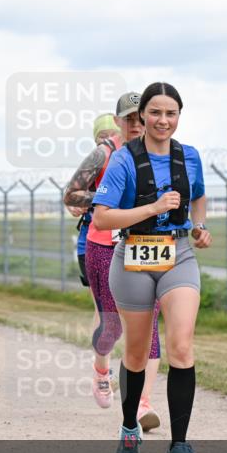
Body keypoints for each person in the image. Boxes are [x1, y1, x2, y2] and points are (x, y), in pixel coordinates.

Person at [92, 82, 212, 453]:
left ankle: (179, 446)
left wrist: (199, 226)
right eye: (155, 112)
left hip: (178, 255)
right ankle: (129, 429)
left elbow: (198, 198)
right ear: (142, 116)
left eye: (171, 113)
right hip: (133, 257)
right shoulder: (124, 159)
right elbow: (103, 217)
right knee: (138, 353)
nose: (163, 120)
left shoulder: (189, 156)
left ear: (179, 116)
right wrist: (153, 206)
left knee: (181, 345)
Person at [64, 101, 163, 430]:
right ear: (119, 121)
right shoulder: (104, 153)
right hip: (105, 243)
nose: (136, 125)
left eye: (141, 118)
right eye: (130, 119)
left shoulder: (161, 153)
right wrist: (109, 198)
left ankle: (142, 404)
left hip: (147, 246)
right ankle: (101, 369)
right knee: (112, 325)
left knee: (150, 325)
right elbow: (71, 195)